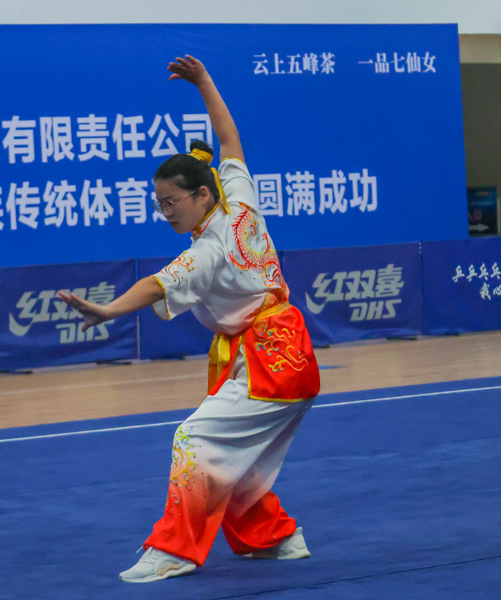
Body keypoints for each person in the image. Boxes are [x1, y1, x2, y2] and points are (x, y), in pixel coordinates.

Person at [58, 55, 322, 583]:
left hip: (268, 363)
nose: (166, 212)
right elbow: (229, 140)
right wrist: (205, 83)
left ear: (202, 194)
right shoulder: (240, 202)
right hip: (286, 354)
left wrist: (107, 310)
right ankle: (275, 539)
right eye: (159, 204)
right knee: (237, 457)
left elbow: (156, 285)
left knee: (194, 440)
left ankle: (176, 550)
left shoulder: (207, 252)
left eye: (171, 201)